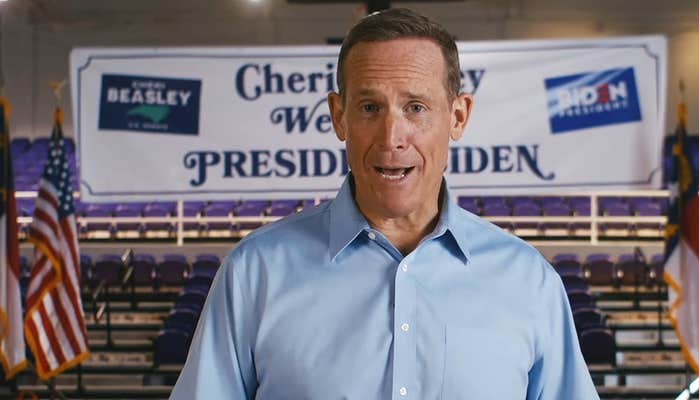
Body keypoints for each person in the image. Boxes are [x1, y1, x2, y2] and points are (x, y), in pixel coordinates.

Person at [170, 8, 599, 400]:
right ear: (339, 117)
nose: (392, 136)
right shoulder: (255, 273)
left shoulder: (529, 282)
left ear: (458, 117)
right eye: (370, 107)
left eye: (415, 107)